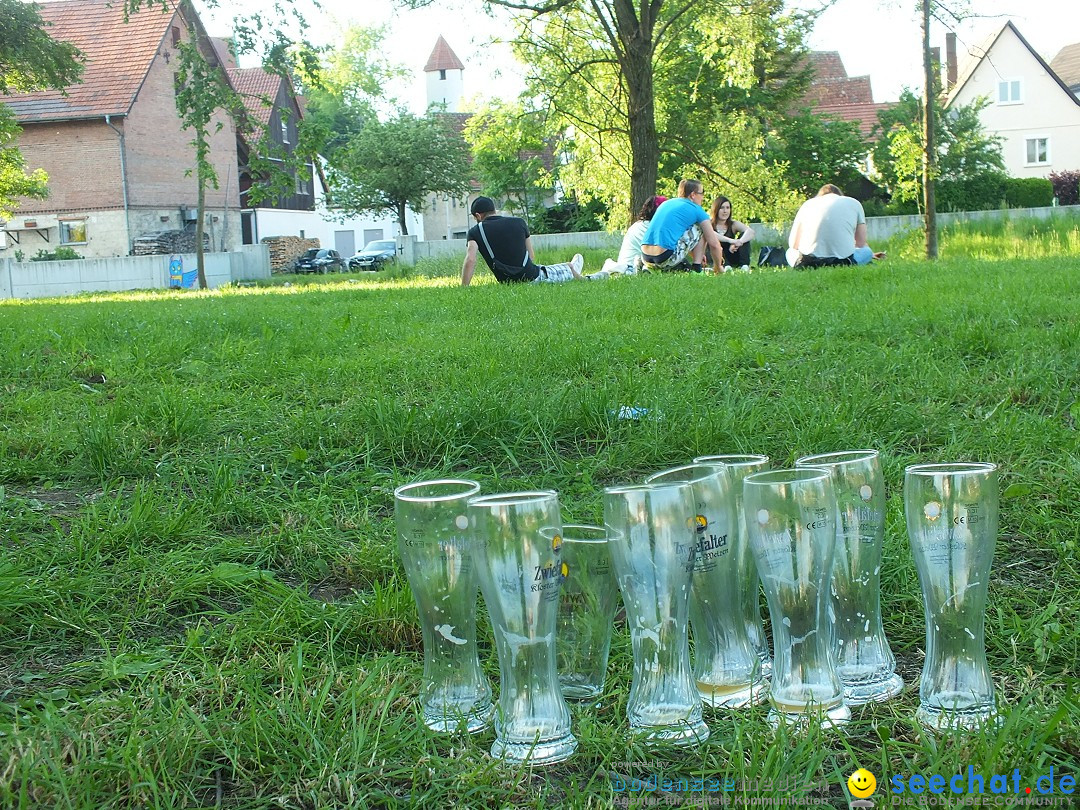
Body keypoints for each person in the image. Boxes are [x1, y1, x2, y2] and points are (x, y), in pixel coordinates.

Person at [461, 196, 584, 286]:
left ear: (478, 215)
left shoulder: (475, 231)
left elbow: (470, 259)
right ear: (494, 210)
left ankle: (577, 269)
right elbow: (531, 256)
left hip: (507, 282)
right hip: (532, 277)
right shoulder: (519, 222)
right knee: (570, 267)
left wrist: (464, 288)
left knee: (571, 266)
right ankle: (592, 273)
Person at [639, 179, 725, 274]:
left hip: (645, 256)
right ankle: (697, 269)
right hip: (664, 258)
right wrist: (718, 267)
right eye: (702, 193)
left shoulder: (666, 204)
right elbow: (714, 245)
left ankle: (650, 268)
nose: (703, 198)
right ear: (693, 195)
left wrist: (696, 254)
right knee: (702, 227)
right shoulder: (697, 210)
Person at [786, 184, 879, 268]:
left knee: (789, 252)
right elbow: (861, 244)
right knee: (867, 252)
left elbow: (793, 245)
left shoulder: (807, 204)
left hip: (808, 262)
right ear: (839, 195)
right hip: (842, 262)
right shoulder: (854, 203)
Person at [588, 195, 667, 279]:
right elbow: (658, 253)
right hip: (630, 268)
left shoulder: (640, 225)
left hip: (624, 267)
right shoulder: (650, 228)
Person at [709, 195, 755, 271]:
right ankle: (724, 266)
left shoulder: (733, 224)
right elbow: (710, 234)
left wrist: (738, 242)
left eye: (727, 208)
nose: (725, 211)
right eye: (722, 208)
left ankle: (744, 265)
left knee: (744, 236)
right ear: (716, 209)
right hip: (716, 257)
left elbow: (750, 232)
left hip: (731, 254)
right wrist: (731, 241)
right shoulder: (709, 224)